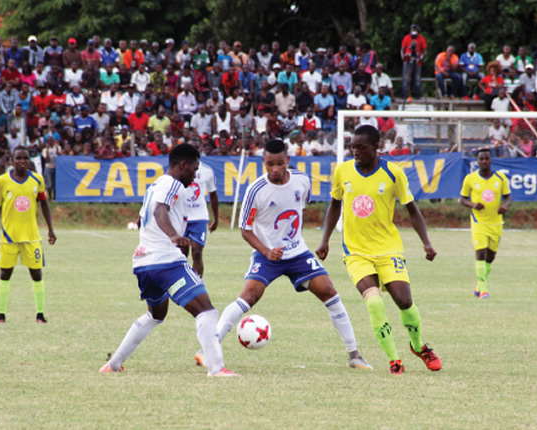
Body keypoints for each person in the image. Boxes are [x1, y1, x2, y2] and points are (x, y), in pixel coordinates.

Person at [194, 139, 371, 369]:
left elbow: (300, 209)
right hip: (267, 255)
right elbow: (245, 230)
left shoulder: (301, 180)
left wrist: (308, 242)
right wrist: (267, 251)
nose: (275, 169)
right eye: (270, 164)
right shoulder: (255, 190)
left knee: (329, 291)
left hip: (298, 254)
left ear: (288, 160)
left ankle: (354, 354)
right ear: (263, 163)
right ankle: (207, 350)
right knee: (248, 296)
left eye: (280, 163)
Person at [100, 144, 237, 377]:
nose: (195, 175)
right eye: (194, 169)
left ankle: (113, 364)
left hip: (144, 262)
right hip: (165, 260)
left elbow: (151, 214)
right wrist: (173, 235)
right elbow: (159, 211)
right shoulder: (172, 184)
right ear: (183, 165)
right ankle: (216, 369)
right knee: (206, 311)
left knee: (156, 315)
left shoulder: (155, 185)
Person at [316, 125, 441, 375]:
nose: (355, 151)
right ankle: (394, 359)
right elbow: (334, 206)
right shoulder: (343, 172)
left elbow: (412, 210)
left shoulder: (393, 174)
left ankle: (418, 346)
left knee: (404, 301)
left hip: (388, 249)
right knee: (374, 302)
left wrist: (426, 242)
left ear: (377, 147)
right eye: (352, 146)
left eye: (360, 147)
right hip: (356, 252)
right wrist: (325, 239)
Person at [0, 146, 56, 323]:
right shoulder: (2, 181)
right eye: (18, 158)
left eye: (25, 158)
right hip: (9, 237)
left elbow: (44, 204)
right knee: (5, 273)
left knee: (36, 274)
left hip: (31, 236)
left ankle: (40, 314)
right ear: (12, 160)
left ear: (29, 160)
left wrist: (50, 229)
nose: (22, 161)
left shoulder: (37, 179)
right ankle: (1, 314)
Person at [459, 149, 511, 298]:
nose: (484, 161)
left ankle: (479, 284)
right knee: (480, 252)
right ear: (477, 161)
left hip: (496, 223)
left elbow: (508, 197)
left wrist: (504, 206)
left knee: (491, 256)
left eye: (486, 159)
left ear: (491, 160)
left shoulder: (500, 178)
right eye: (481, 159)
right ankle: (484, 289)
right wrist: (473, 205)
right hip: (478, 222)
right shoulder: (470, 178)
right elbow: (462, 199)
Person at [181, 141, 219, 277]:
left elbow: (213, 195)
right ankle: (182, 284)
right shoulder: (180, 170)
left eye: (196, 148)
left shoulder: (207, 171)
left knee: (197, 252)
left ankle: (197, 286)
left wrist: (216, 219)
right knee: (181, 253)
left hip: (199, 218)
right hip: (181, 217)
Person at [400, 24, 426, 101]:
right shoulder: (406, 38)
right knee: (406, 77)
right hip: (408, 59)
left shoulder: (421, 38)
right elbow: (402, 49)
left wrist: (421, 57)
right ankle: (404, 94)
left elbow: (424, 50)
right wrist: (403, 57)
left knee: (417, 78)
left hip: (417, 60)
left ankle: (417, 94)